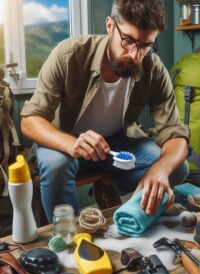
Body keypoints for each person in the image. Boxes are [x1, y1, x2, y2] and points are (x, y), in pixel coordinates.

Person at [21, 0, 189, 223]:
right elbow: (30, 120)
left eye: (146, 45)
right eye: (128, 40)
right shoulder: (68, 55)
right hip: (66, 143)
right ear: (110, 26)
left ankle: (127, 215)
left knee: (177, 168)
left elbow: (175, 134)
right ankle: (67, 233)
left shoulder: (153, 68)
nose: (135, 54)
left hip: (117, 145)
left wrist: (160, 169)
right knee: (55, 164)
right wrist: (73, 144)